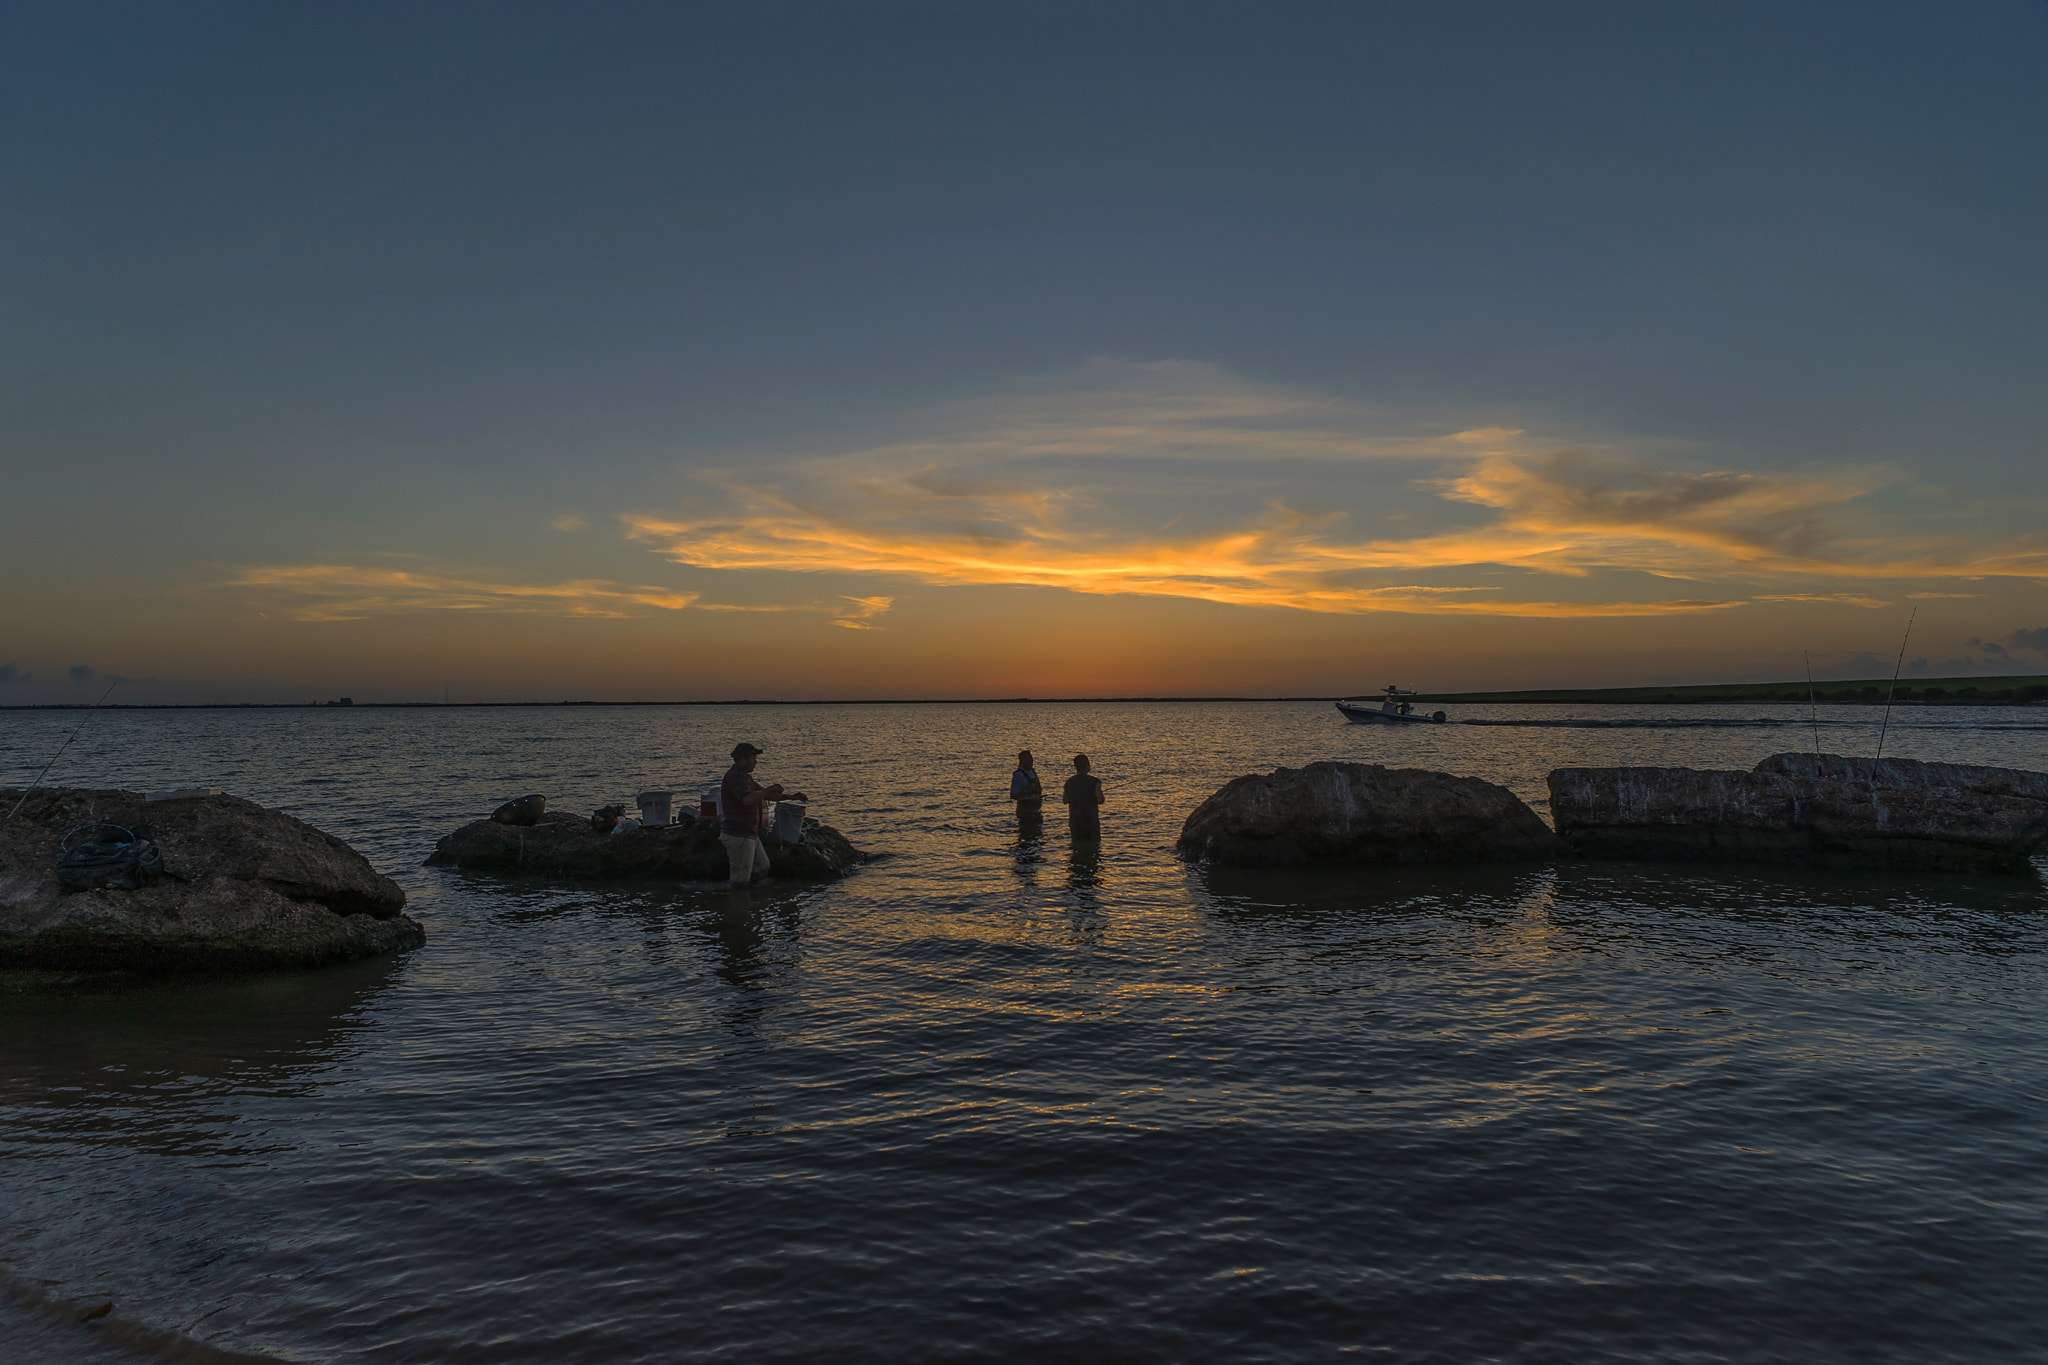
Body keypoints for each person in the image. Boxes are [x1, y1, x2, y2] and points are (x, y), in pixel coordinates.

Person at [719, 742, 808, 888]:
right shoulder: (734, 777)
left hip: (750, 834)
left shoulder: (746, 778)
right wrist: (766, 791)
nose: (756, 762)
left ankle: (753, 900)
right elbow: (747, 799)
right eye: (753, 758)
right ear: (742, 759)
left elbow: (765, 795)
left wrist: (792, 797)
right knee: (740, 880)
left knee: (762, 867)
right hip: (738, 835)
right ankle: (738, 903)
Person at [1061, 753, 1104, 841]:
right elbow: (1100, 800)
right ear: (1087, 766)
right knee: (1094, 848)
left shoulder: (1069, 782)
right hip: (1091, 821)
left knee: (1077, 848)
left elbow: (1065, 800)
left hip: (1075, 822)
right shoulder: (1095, 782)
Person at [1009, 749, 1044, 824]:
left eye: (1031, 759)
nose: (1031, 761)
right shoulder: (1018, 775)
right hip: (1025, 814)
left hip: (1036, 812)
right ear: (1022, 761)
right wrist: (1030, 796)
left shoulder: (1033, 772)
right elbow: (1013, 795)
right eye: (1027, 759)